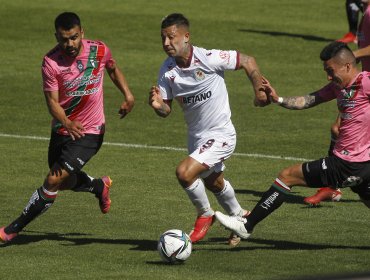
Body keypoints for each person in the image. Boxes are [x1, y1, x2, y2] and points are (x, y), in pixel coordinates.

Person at [0, 12, 135, 243]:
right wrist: (67, 122)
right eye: (64, 39)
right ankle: (98, 186)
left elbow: (112, 68)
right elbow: (52, 102)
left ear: (82, 32)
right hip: (63, 130)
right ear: (56, 36)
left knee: (52, 181)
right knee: (63, 181)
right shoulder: (51, 62)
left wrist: (128, 95)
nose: (69, 44)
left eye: (73, 37)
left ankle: (14, 228)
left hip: (91, 131)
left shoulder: (99, 50)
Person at [215, 41, 370, 240]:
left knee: (287, 176)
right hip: (364, 165)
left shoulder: (365, 83)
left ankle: (247, 224)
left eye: (331, 71)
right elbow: (310, 99)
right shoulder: (338, 87)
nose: (328, 76)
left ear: (348, 66)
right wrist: (278, 99)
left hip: (346, 163)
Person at [148, 13, 269, 246]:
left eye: (171, 38)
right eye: (163, 38)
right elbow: (166, 111)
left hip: (221, 134)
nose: (166, 44)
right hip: (197, 138)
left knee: (184, 173)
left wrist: (258, 90)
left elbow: (248, 60)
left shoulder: (209, 58)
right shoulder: (167, 71)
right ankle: (240, 218)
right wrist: (157, 105)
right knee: (214, 182)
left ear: (186, 36)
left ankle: (205, 214)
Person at [305, 0, 370, 205]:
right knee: (337, 129)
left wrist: (350, 56)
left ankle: (334, 185)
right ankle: (332, 186)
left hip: (364, 86)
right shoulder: (365, 12)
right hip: (357, 85)